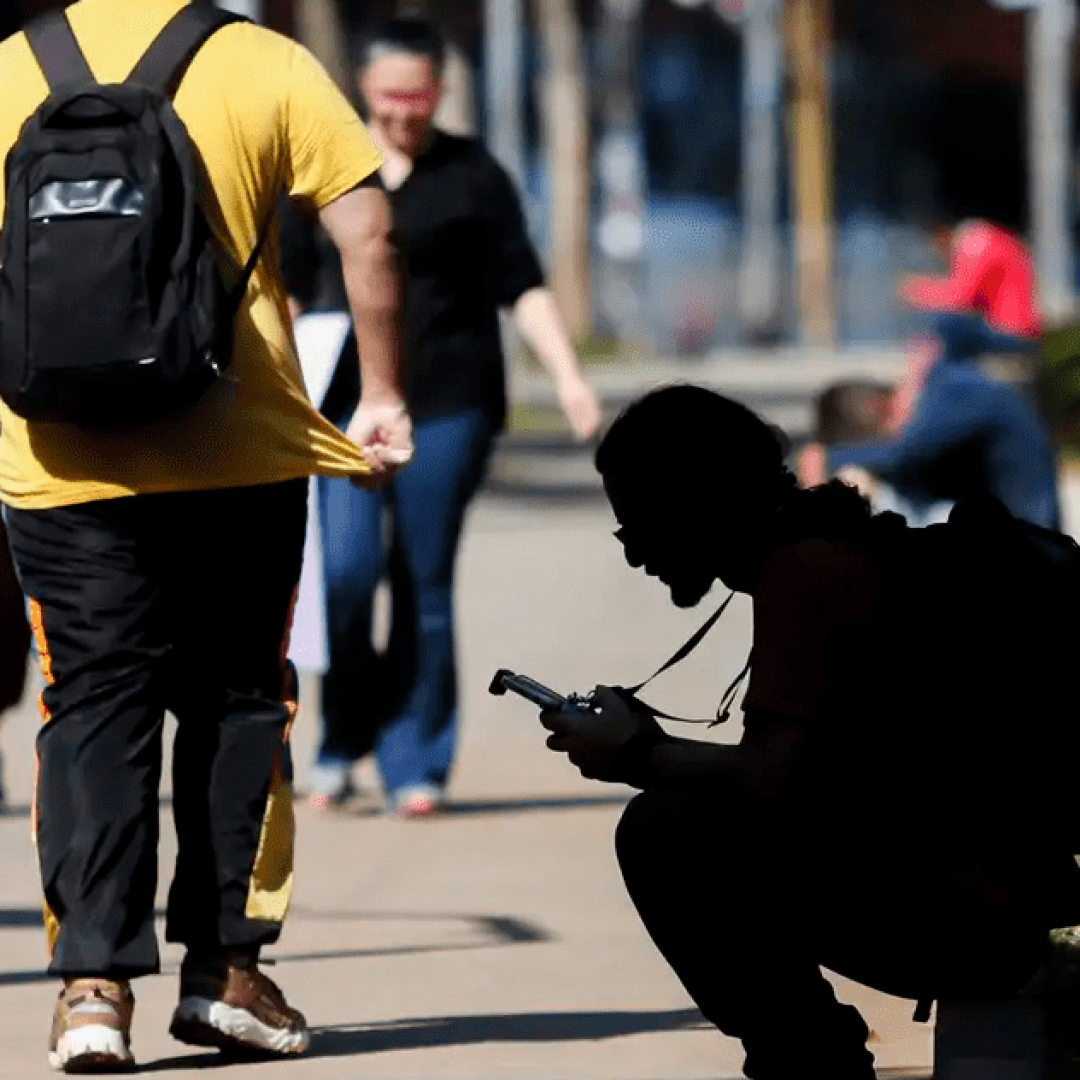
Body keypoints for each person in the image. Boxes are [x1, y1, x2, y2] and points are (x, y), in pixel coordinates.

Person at [0, 0, 412, 1071]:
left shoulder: (8, 66)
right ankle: (226, 972)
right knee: (239, 699)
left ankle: (92, 990)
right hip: (241, 448)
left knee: (88, 704)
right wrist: (380, 394)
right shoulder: (265, 62)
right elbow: (369, 228)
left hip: (56, 457)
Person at [538, 384, 1080, 1080]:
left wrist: (639, 754)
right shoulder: (836, 542)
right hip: (996, 900)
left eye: (636, 525)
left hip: (969, 918)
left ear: (695, 502)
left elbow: (771, 777)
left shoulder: (805, 568)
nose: (634, 555)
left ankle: (809, 1064)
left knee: (664, 833)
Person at [304, 17, 602, 816]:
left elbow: (522, 283)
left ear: (439, 89)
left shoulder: (473, 176)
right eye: (391, 94)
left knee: (422, 582)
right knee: (342, 576)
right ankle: (339, 738)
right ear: (363, 89)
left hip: (448, 404)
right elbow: (289, 290)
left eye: (420, 93)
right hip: (342, 409)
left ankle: (416, 759)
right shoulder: (329, 166)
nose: (405, 109)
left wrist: (570, 378)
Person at [799, 365, 1062, 530]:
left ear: (882, 408)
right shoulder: (944, 391)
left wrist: (827, 458)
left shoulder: (948, 393)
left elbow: (905, 453)